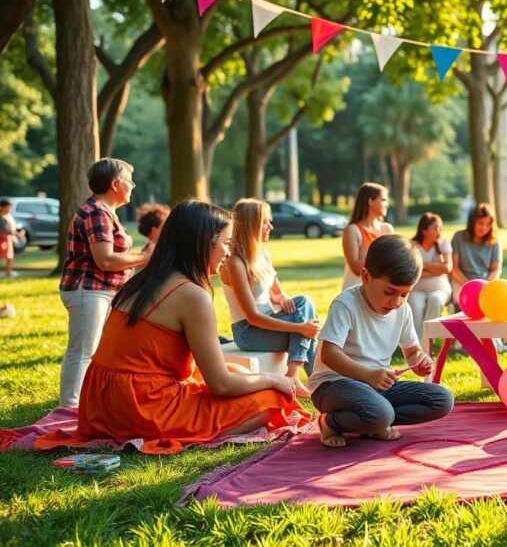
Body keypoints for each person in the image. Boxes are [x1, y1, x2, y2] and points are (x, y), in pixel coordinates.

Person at [35, 201, 310, 454]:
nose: (228, 252)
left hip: (102, 404)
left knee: (239, 371)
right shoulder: (191, 294)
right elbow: (221, 385)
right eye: (226, 243)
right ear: (202, 243)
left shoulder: (145, 279)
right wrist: (277, 379)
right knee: (272, 398)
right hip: (141, 408)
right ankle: (203, 434)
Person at [309, 234, 455, 448]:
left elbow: (411, 350)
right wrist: (367, 374)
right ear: (365, 277)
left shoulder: (403, 310)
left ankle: (372, 421)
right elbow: (329, 354)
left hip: (375, 386)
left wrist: (419, 359)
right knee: (381, 413)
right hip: (332, 386)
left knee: (442, 400)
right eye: (389, 292)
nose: (396, 301)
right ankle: (331, 421)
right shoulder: (346, 304)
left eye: (405, 294)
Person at [58, 158, 150, 408]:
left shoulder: (105, 212)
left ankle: (91, 403)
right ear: (115, 184)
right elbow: (105, 260)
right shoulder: (97, 212)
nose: (132, 185)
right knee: (83, 351)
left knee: (97, 352)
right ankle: (69, 409)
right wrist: (144, 257)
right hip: (89, 290)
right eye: (129, 180)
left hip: (101, 291)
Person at [220, 199, 321, 398]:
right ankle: (313, 381)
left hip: (268, 322)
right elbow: (252, 317)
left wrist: (283, 298)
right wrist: (300, 328)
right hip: (249, 332)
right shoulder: (235, 263)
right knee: (306, 329)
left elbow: (277, 292)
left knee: (304, 302)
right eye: (265, 222)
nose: (271, 227)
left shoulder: (262, 254)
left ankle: (306, 378)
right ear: (252, 224)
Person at [409, 212, 453, 346]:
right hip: (417, 289)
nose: (439, 231)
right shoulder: (412, 246)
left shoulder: (443, 245)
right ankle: (417, 345)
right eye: (435, 228)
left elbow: (447, 268)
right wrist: (436, 269)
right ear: (424, 231)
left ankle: (429, 342)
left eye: (440, 228)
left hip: (440, 288)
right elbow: (411, 272)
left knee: (435, 300)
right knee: (416, 307)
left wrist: (424, 265)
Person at [342, 183, 393, 291]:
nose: (387, 204)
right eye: (383, 200)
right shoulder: (352, 230)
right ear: (370, 201)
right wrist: (386, 259)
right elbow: (356, 267)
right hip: (355, 293)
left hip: (381, 294)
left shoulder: (387, 229)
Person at [451, 202, 502, 304]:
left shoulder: (494, 242)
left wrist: (484, 285)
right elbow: (454, 269)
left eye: (488, 224)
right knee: (471, 302)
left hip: (486, 283)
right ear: (473, 222)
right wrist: (471, 287)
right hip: (461, 282)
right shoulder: (459, 237)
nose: (484, 228)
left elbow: (496, 269)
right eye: (481, 223)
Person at [0, 198, 26, 278]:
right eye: (7, 207)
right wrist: (18, 234)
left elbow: (12, 228)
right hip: (2, 239)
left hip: (8, 239)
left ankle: (9, 273)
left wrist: (19, 232)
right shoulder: (1, 217)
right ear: (1, 207)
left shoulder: (9, 216)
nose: (9, 209)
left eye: (9, 207)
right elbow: (5, 230)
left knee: (9, 257)